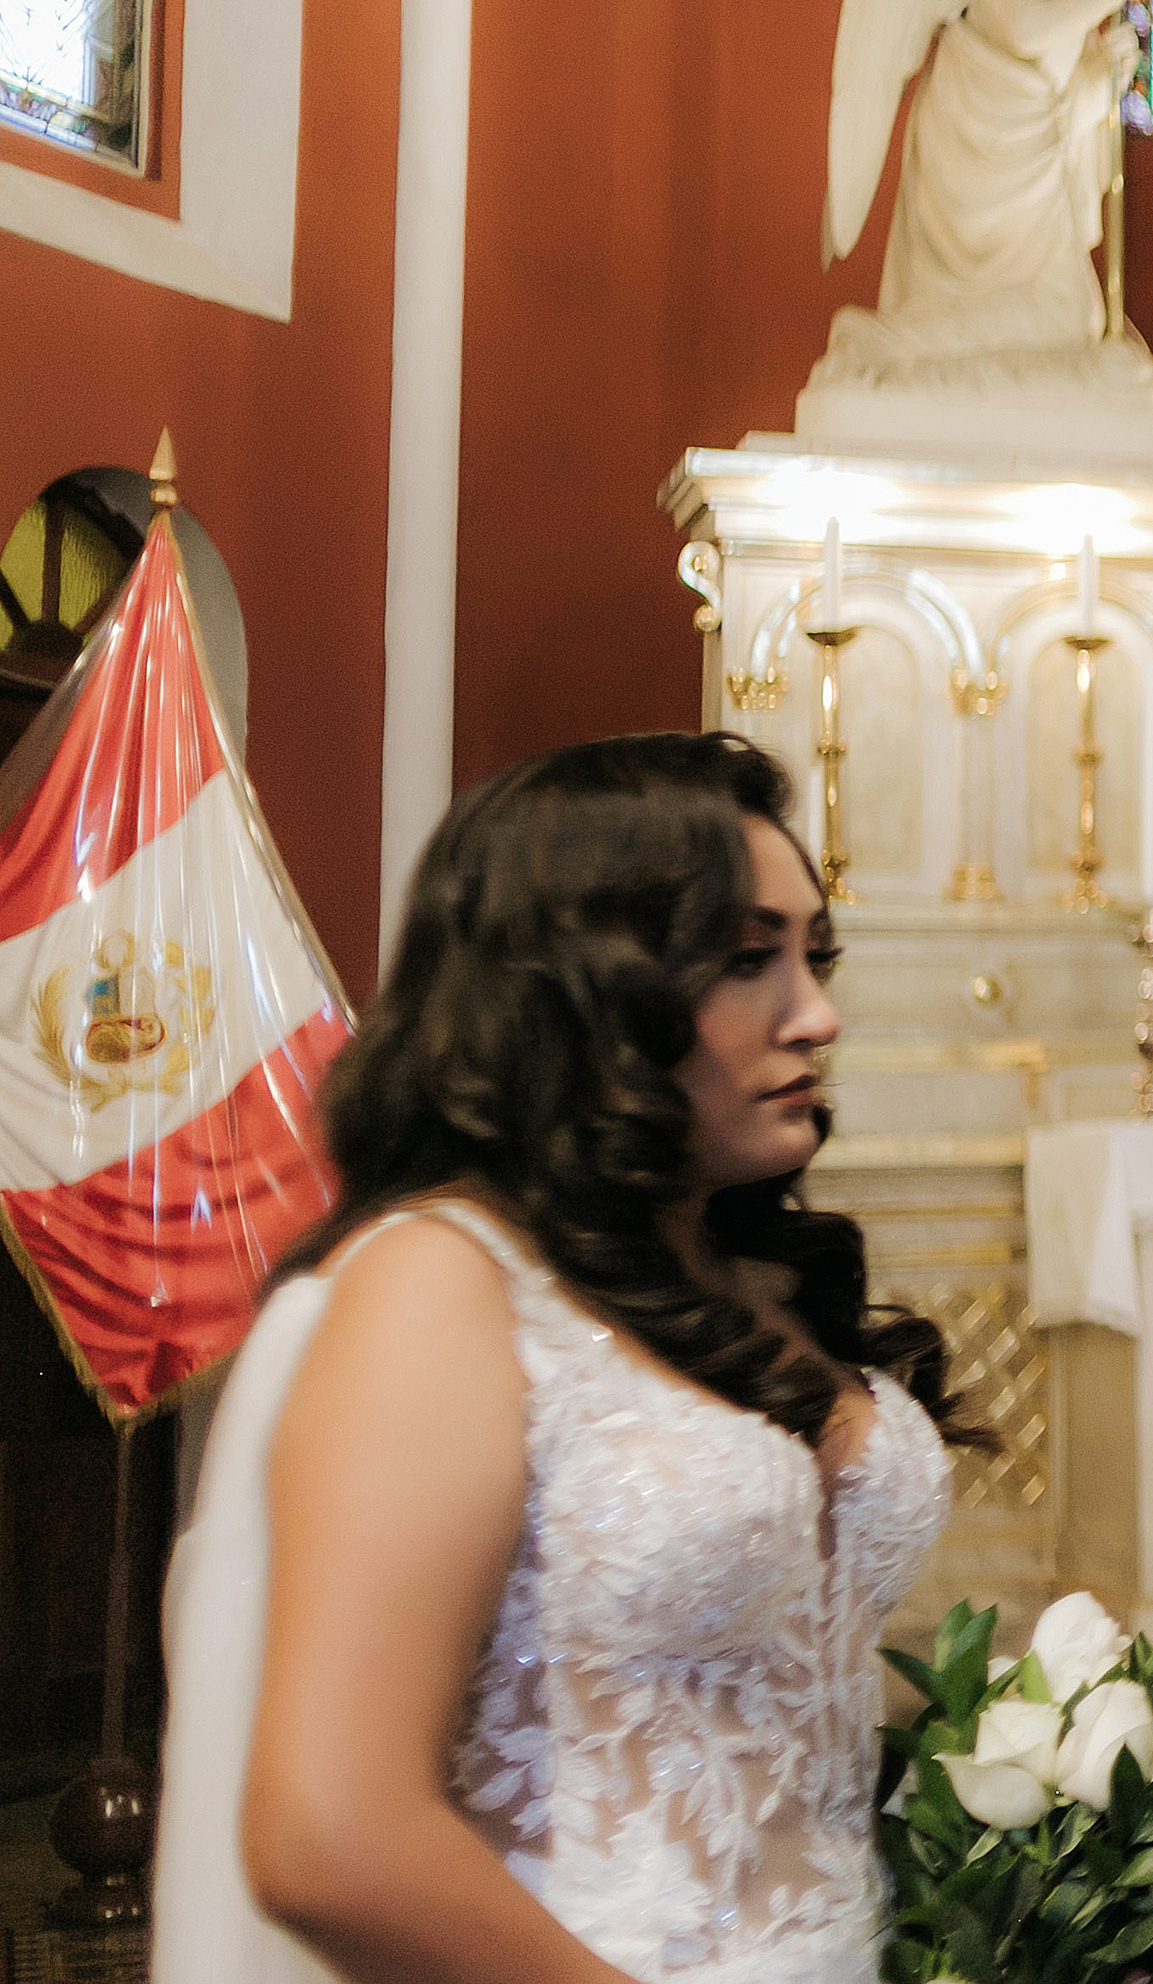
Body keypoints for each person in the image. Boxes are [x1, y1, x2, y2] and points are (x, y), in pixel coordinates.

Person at [151, 733, 972, 1984]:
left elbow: (776, 1727)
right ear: (583, 991)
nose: (817, 1016)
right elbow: (329, 1836)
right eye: (746, 960)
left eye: (816, 956)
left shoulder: (759, 1277)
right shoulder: (441, 1285)